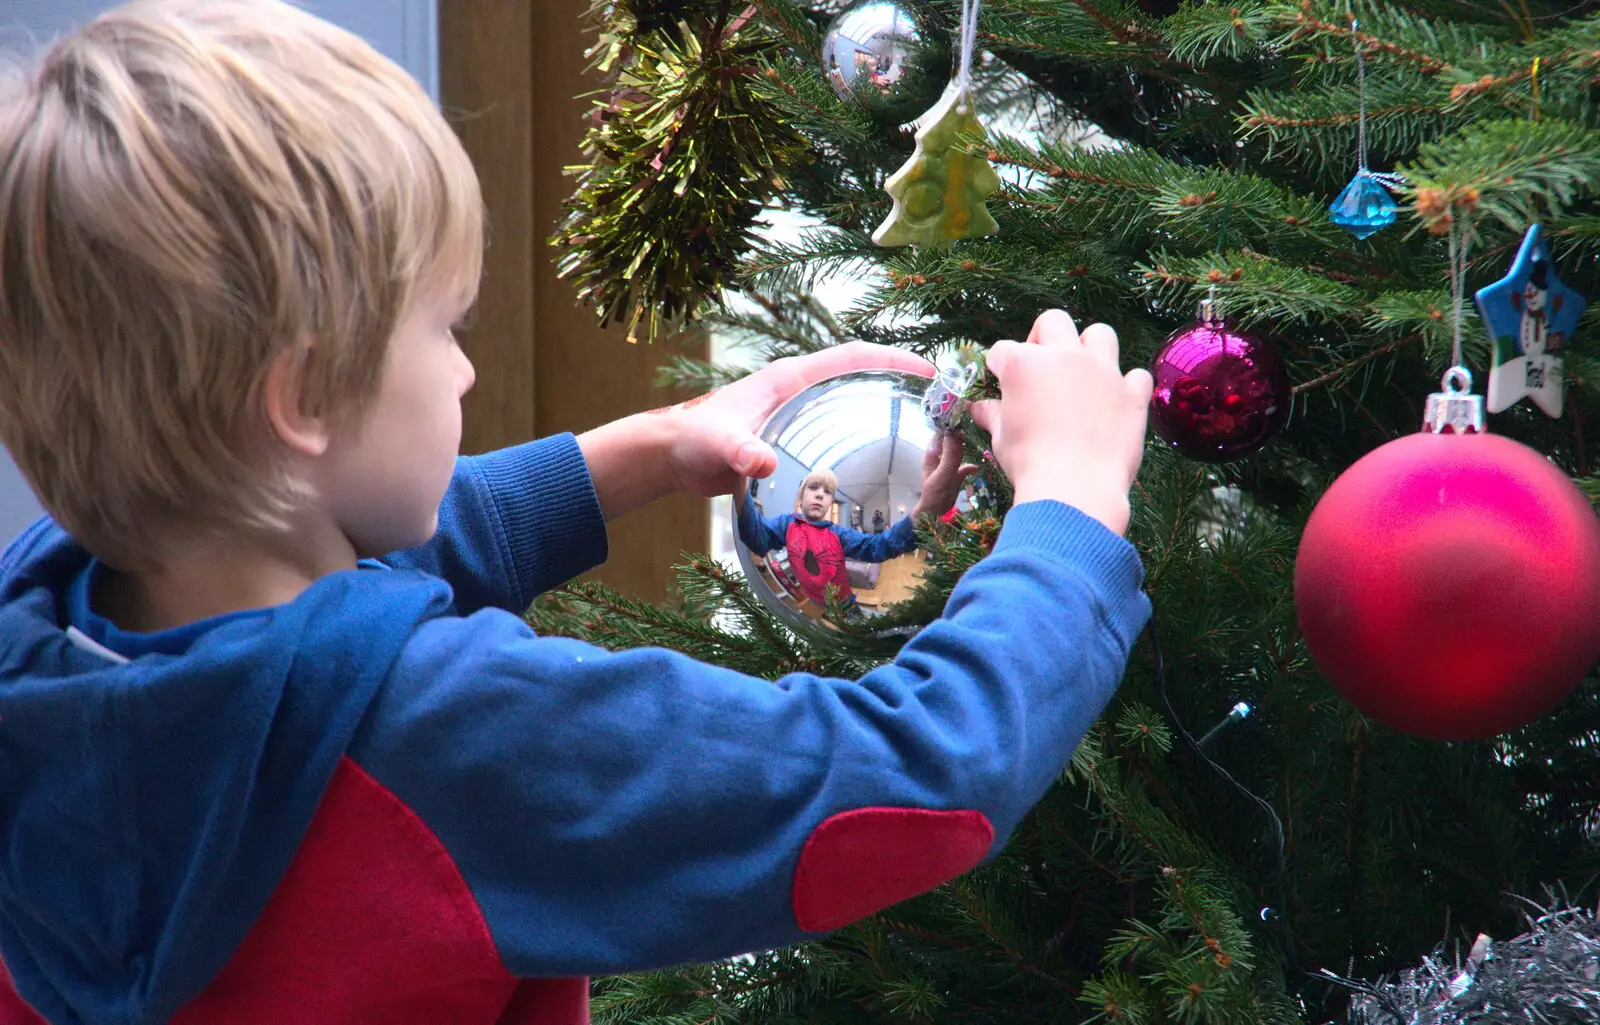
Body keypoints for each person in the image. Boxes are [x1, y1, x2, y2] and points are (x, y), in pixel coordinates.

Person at [0, 2, 1155, 1023]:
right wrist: (1067, 510)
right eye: (445, 327)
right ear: (302, 395)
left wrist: (638, 454)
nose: (462, 373)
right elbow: (901, 780)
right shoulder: (456, 734)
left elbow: (309, 622)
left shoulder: (47, 635)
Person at [736, 461, 960, 608]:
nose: (820, 495)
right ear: (801, 495)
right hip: (811, 604)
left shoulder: (839, 534)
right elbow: (758, 539)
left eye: (827, 492)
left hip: (846, 606)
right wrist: (739, 485)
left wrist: (920, 511)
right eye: (813, 488)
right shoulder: (786, 525)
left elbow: (877, 547)